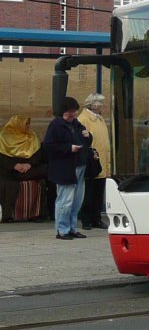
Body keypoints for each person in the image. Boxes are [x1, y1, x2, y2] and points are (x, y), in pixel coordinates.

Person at [42, 97, 91, 240]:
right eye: (70, 112)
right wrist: (68, 148)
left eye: (74, 111)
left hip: (79, 166)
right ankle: (62, 230)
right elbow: (48, 146)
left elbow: (86, 140)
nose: (73, 114)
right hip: (64, 168)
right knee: (65, 200)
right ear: (63, 111)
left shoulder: (76, 124)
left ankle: (72, 228)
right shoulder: (56, 125)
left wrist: (88, 136)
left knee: (76, 201)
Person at [0, 114, 47, 222]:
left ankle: (37, 214)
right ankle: (8, 215)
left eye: (28, 124)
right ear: (17, 124)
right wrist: (14, 166)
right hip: (10, 170)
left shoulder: (31, 135)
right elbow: (1, 157)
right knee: (8, 183)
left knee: (46, 170)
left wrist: (29, 164)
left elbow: (38, 154)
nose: (27, 126)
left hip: (28, 169)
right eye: (26, 124)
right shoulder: (3, 136)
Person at [77, 93, 110, 230]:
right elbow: (83, 140)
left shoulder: (99, 119)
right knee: (88, 191)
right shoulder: (84, 119)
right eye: (101, 103)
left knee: (98, 191)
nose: (103, 105)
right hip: (92, 160)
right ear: (94, 104)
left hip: (101, 159)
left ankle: (96, 218)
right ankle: (86, 219)